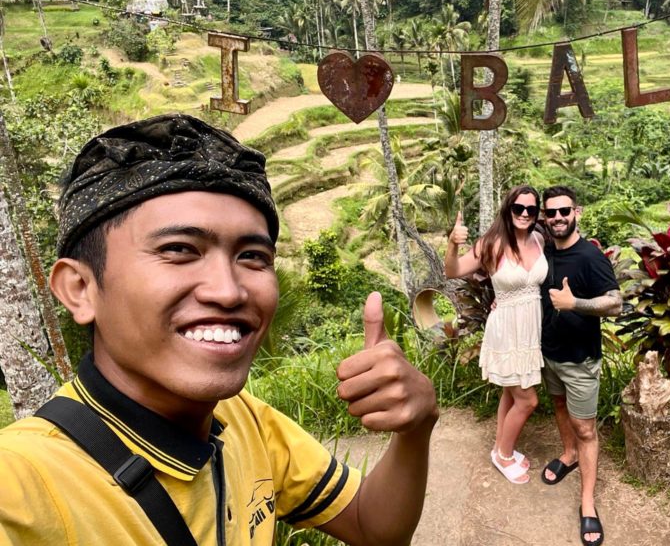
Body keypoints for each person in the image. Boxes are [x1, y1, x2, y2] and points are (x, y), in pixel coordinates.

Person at [0, 114, 439, 545]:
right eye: (179, 249)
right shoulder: (24, 483)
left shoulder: (245, 420)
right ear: (79, 288)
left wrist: (417, 428)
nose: (229, 292)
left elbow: (371, 525)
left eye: (252, 256)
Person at [444, 185, 546, 485]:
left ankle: (502, 448)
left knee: (509, 391)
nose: (525, 214)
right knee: (527, 401)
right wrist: (452, 244)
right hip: (506, 330)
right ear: (508, 209)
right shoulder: (492, 243)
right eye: (519, 208)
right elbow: (453, 270)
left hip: (530, 329)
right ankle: (503, 455)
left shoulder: (539, 239)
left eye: (531, 209)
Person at [538, 185, 621, 546]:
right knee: (559, 406)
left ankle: (588, 503)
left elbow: (616, 303)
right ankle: (568, 455)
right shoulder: (544, 255)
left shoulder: (590, 256)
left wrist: (576, 305)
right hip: (550, 355)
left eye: (564, 211)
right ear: (545, 217)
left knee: (586, 429)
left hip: (581, 361)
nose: (558, 218)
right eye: (551, 213)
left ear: (577, 212)